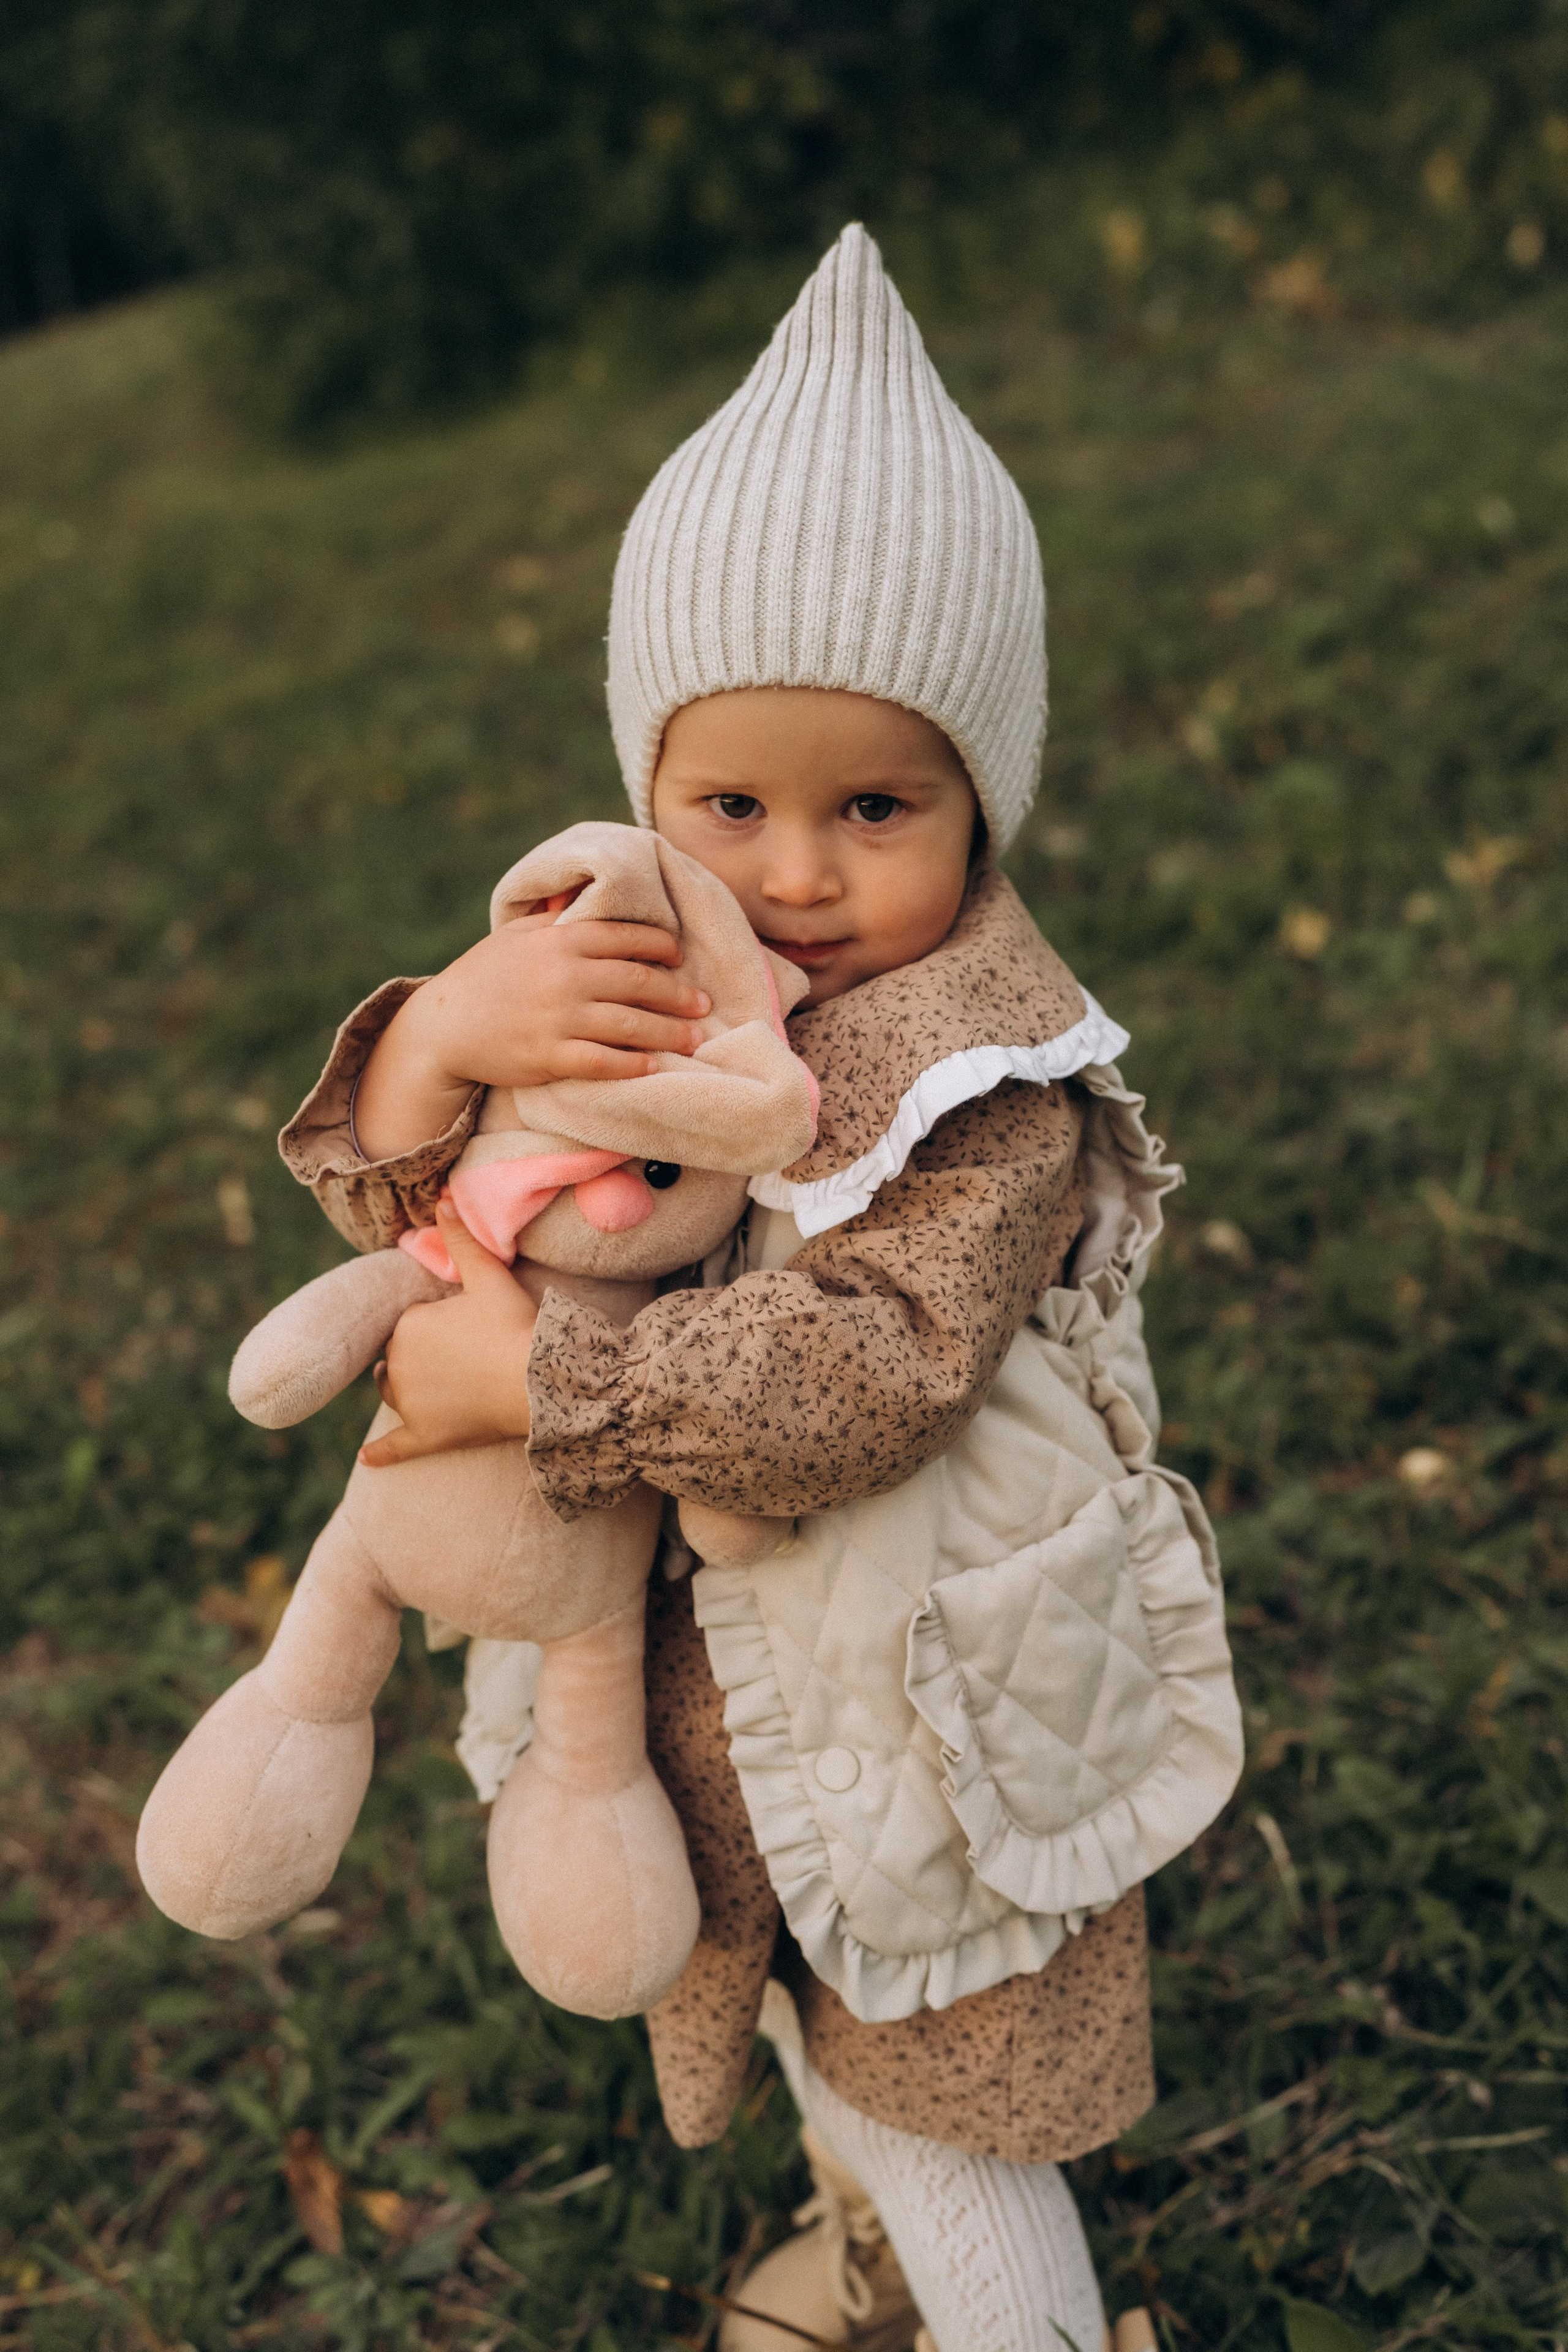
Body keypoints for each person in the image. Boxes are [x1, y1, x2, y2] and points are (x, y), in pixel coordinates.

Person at [279, 225, 1242, 2352]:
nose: (795, 875)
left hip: (931, 1707)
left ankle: (1005, 2312)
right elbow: (466, 1210)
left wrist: (546, 1388)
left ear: (983, 802)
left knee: (945, 2106)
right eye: (731, 805)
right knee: (816, 2017)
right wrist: (438, 1044)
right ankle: (883, 2270)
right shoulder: (628, 980)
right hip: (724, 1711)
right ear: (649, 791)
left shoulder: (990, 1085)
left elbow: (875, 1369)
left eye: (875, 806)